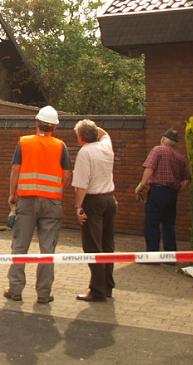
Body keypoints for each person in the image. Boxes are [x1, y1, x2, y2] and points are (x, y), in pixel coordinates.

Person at [4, 105, 71, 304]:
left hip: (26, 201)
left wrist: (12, 194)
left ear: (36, 123)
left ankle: (15, 290)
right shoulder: (61, 146)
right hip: (52, 203)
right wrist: (58, 191)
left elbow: (15, 169)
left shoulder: (24, 143)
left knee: (20, 246)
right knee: (47, 250)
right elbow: (67, 174)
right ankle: (43, 294)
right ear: (55, 128)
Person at [71, 119, 117, 302]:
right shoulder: (106, 146)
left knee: (92, 246)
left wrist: (78, 207)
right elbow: (104, 133)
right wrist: (90, 128)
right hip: (110, 199)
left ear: (81, 138)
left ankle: (97, 290)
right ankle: (107, 286)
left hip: (93, 201)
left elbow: (82, 185)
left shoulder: (85, 152)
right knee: (107, 244)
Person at [134, 128, 191, 253]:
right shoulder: (180, 157)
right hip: (172, 193)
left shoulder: (158, 150)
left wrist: (141, 185)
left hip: (157, 191)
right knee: (168, 225)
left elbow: (149, 168)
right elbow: (186, 179)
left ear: (163, 139)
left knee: (152, 223)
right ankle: (170, 255)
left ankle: (152, 255)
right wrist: (177, 190)